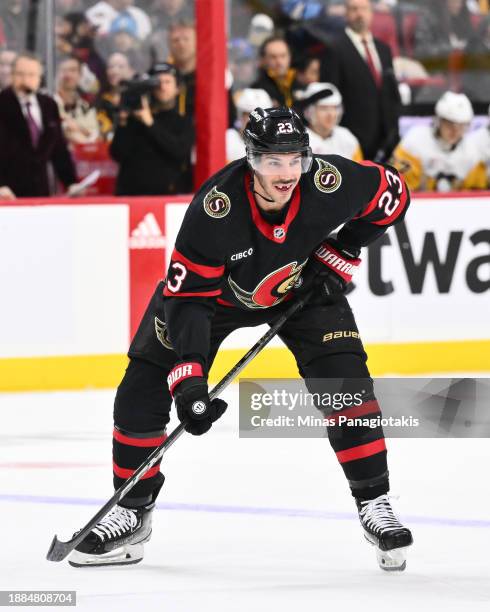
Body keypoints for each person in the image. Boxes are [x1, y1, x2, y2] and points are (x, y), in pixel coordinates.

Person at [69, 106, 413, 572]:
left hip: (301, 286)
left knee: (347, 388)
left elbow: (393, 193)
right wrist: (190, 381)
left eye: (295, 159)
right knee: (140, 392)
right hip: (210, 302)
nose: (287, 173)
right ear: (251, 159)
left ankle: (376, 503)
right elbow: (189, 300)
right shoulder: (217, 209)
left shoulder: (329, 181)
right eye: (273, 161)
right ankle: (132, 511)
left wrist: (346, 245)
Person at [320, 0, 401, 160]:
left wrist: (392, 131)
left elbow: (390, 93)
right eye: (354, 9)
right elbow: (331, 95)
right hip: (352, 139)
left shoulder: (383, 49)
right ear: (346, 14)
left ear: (371, 13)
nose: (359, 14)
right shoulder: (334, 48)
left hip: (386, 140)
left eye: (364, 9)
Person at [0, 52, 78, 199]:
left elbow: (59, 148)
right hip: (7, 193)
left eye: (31, 75)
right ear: (12, 75)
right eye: (20, 74)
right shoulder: (2, 103)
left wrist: (71, 182)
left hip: (41, 191)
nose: (25, 80)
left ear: (39, 78)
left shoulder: (48, 105)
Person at [109, 62, 193, 195]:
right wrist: (123, 121)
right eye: (157, 82)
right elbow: (117, 154)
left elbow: (179, 151)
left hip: (167, 198)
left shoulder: (183, 121)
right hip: (129, 195)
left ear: (178, 88)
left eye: (167, 82)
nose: (162, 87)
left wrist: (150, 123)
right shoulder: (135, 117)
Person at [391, 91, 486, 191]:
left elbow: (477, 192)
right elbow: (398, 184)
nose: (455, 131)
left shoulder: (472, 151)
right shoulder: (415, 141)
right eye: (450, 123)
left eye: (461, 125)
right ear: (438, 120)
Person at [302, 82, 363, 161]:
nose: (331, 114)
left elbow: (359, 169)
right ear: (309, 111)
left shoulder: (348, 138)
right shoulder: (300, 142)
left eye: (335, 108)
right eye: (324, 108)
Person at [55, 56, 100, 144]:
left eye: (72, 70)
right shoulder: (47, 104)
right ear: (57, 74)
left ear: (80, 76)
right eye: (63, 70)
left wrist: (78, 129)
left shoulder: (87, 107)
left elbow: (95, 136)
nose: (67, 75)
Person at [252, 36, 300, 108]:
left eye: (283, 56)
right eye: (273, 57)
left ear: (290, 57)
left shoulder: (300, 85)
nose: (279, 62)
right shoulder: (257, 91)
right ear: (263, 60)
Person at [227, 88, 272, 162]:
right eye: (249, 115)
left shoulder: (274, 146)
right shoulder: (229, 139)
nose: (255, 121)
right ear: (240, 116)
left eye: (260, 117)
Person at [96, 51, 134, 140]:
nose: (114, 71)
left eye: (120, 66)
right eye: (110, 67)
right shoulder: (101, 100)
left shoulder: (137, 99)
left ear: (131, 70)